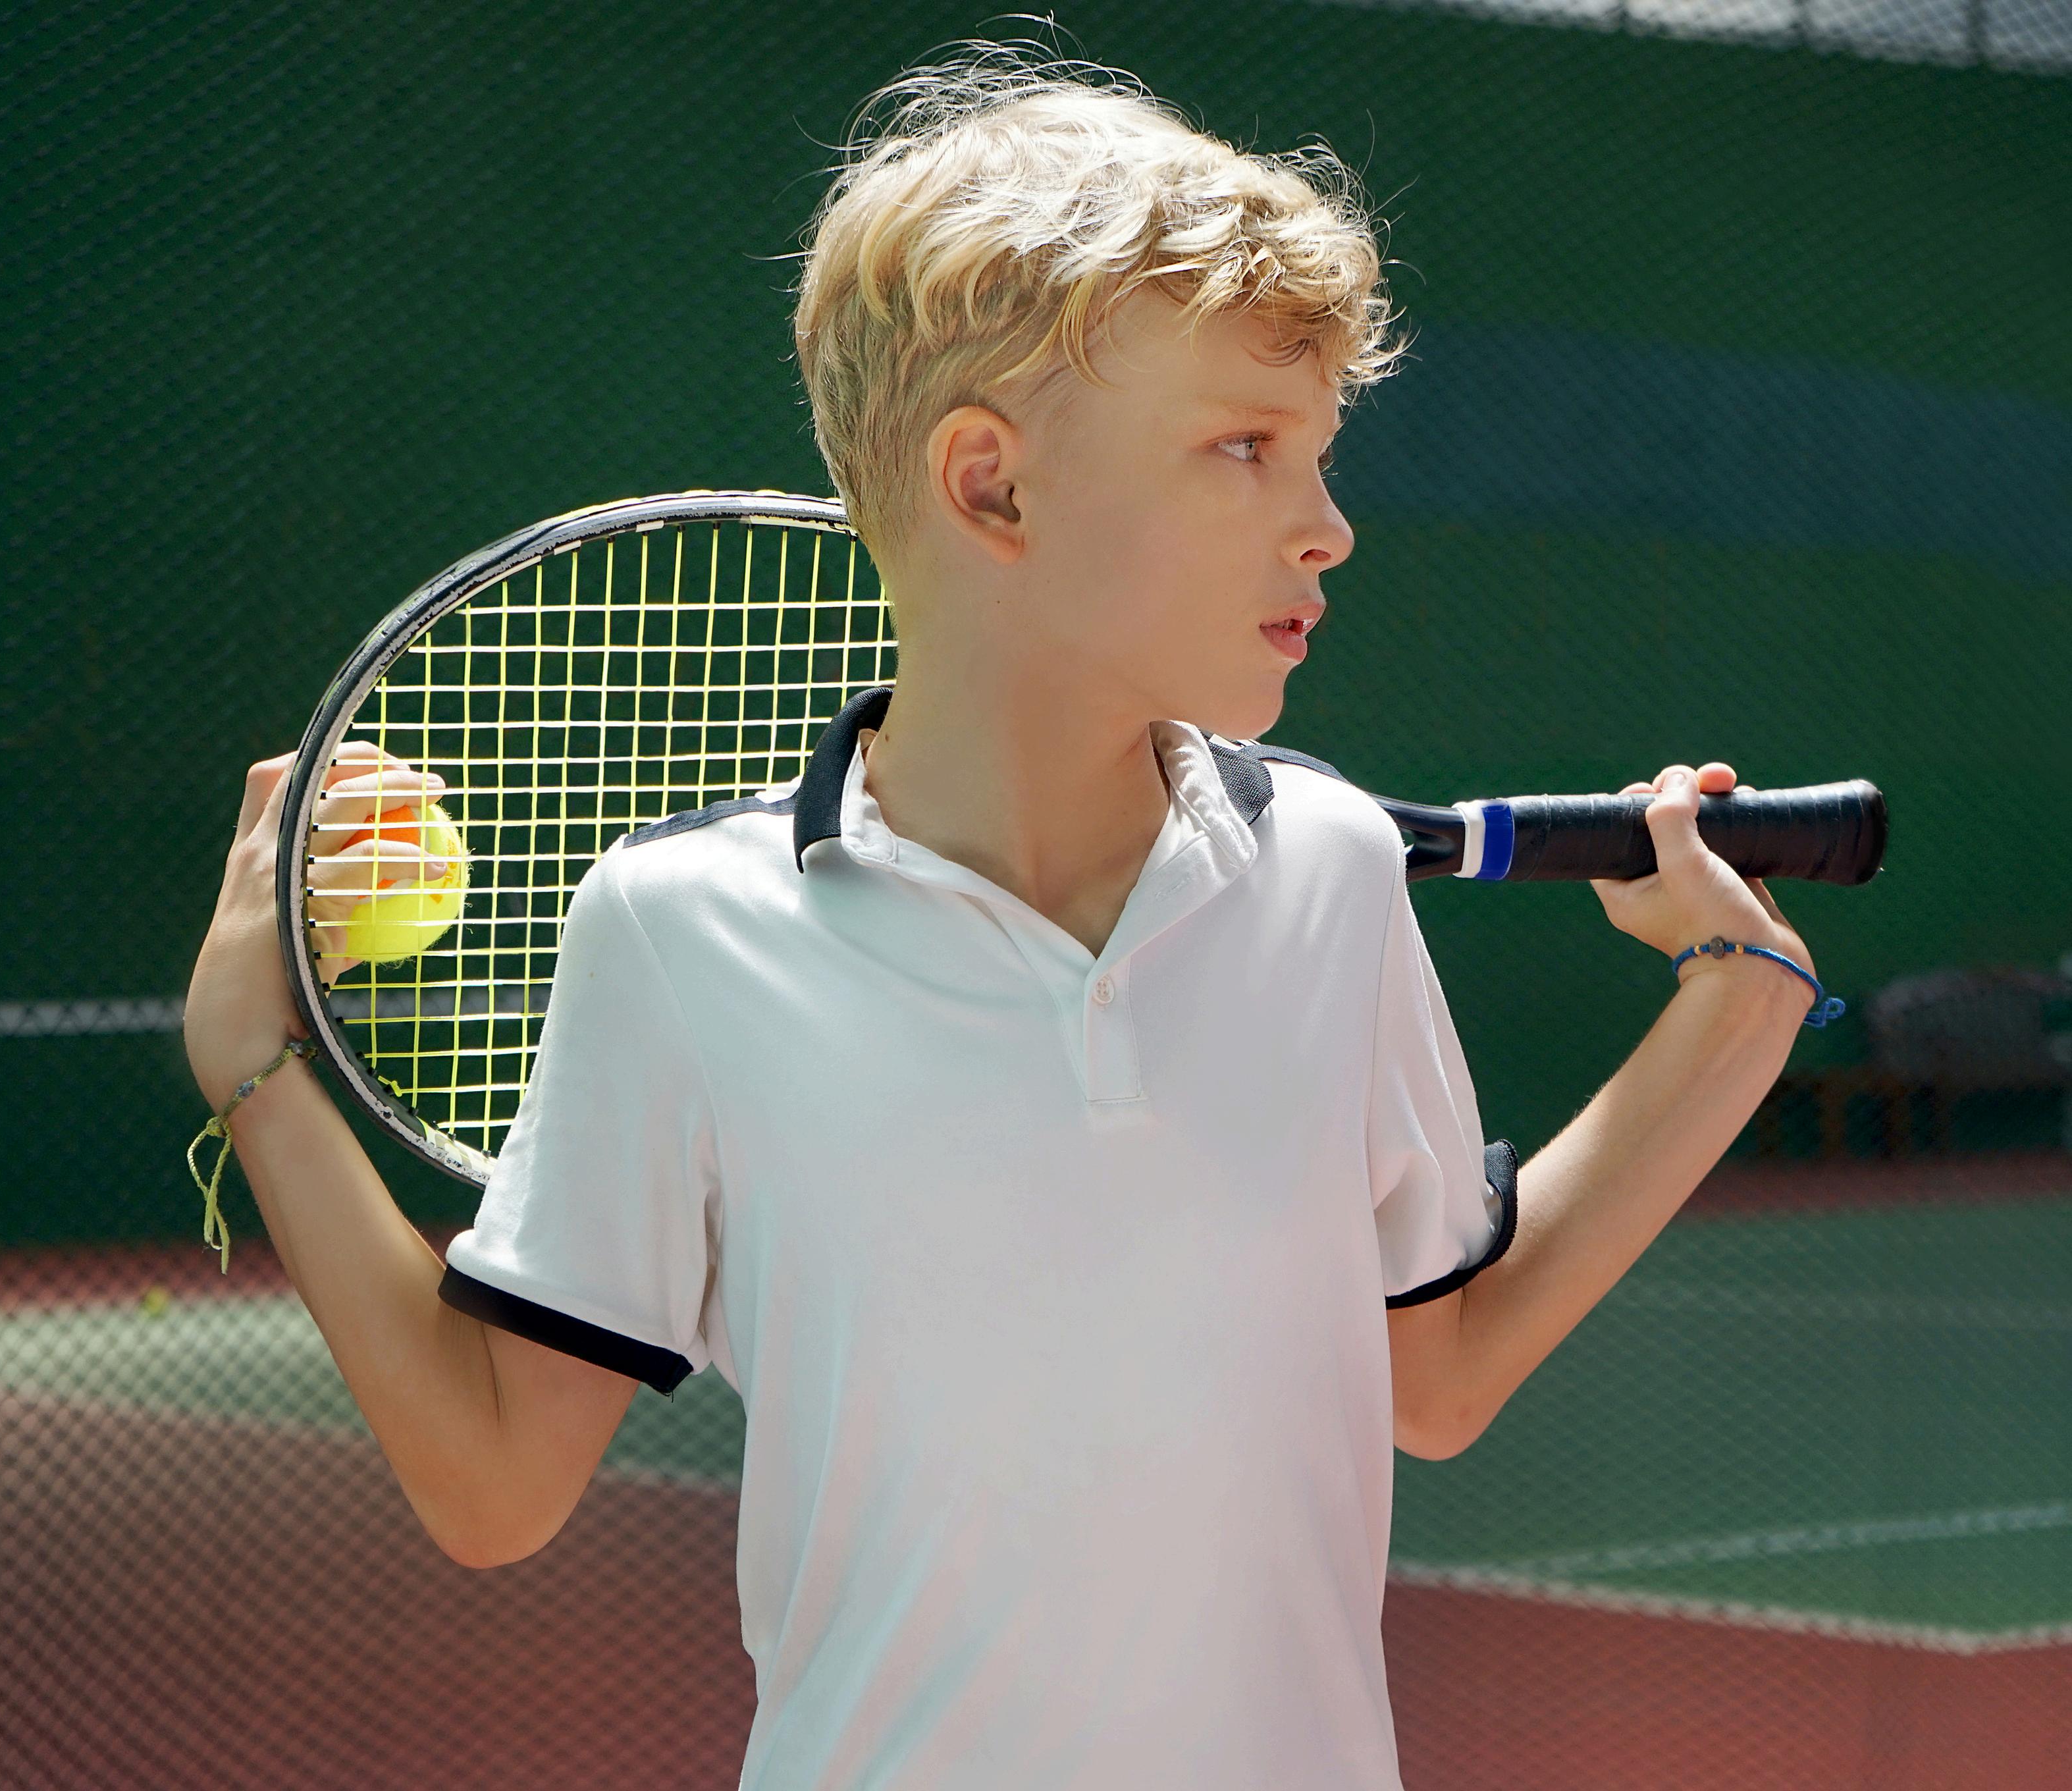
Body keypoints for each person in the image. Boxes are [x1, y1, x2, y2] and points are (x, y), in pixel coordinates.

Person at [184, 49, 1827, 1791]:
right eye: (1246, 448)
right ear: (992, 486)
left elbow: (1440, 1373)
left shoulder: (1333, 872)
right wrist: (251, 1067)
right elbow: (494, 1477)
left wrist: (1738, 1005)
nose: (1330, 527)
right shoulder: (680, 930)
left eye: (1320, 455)